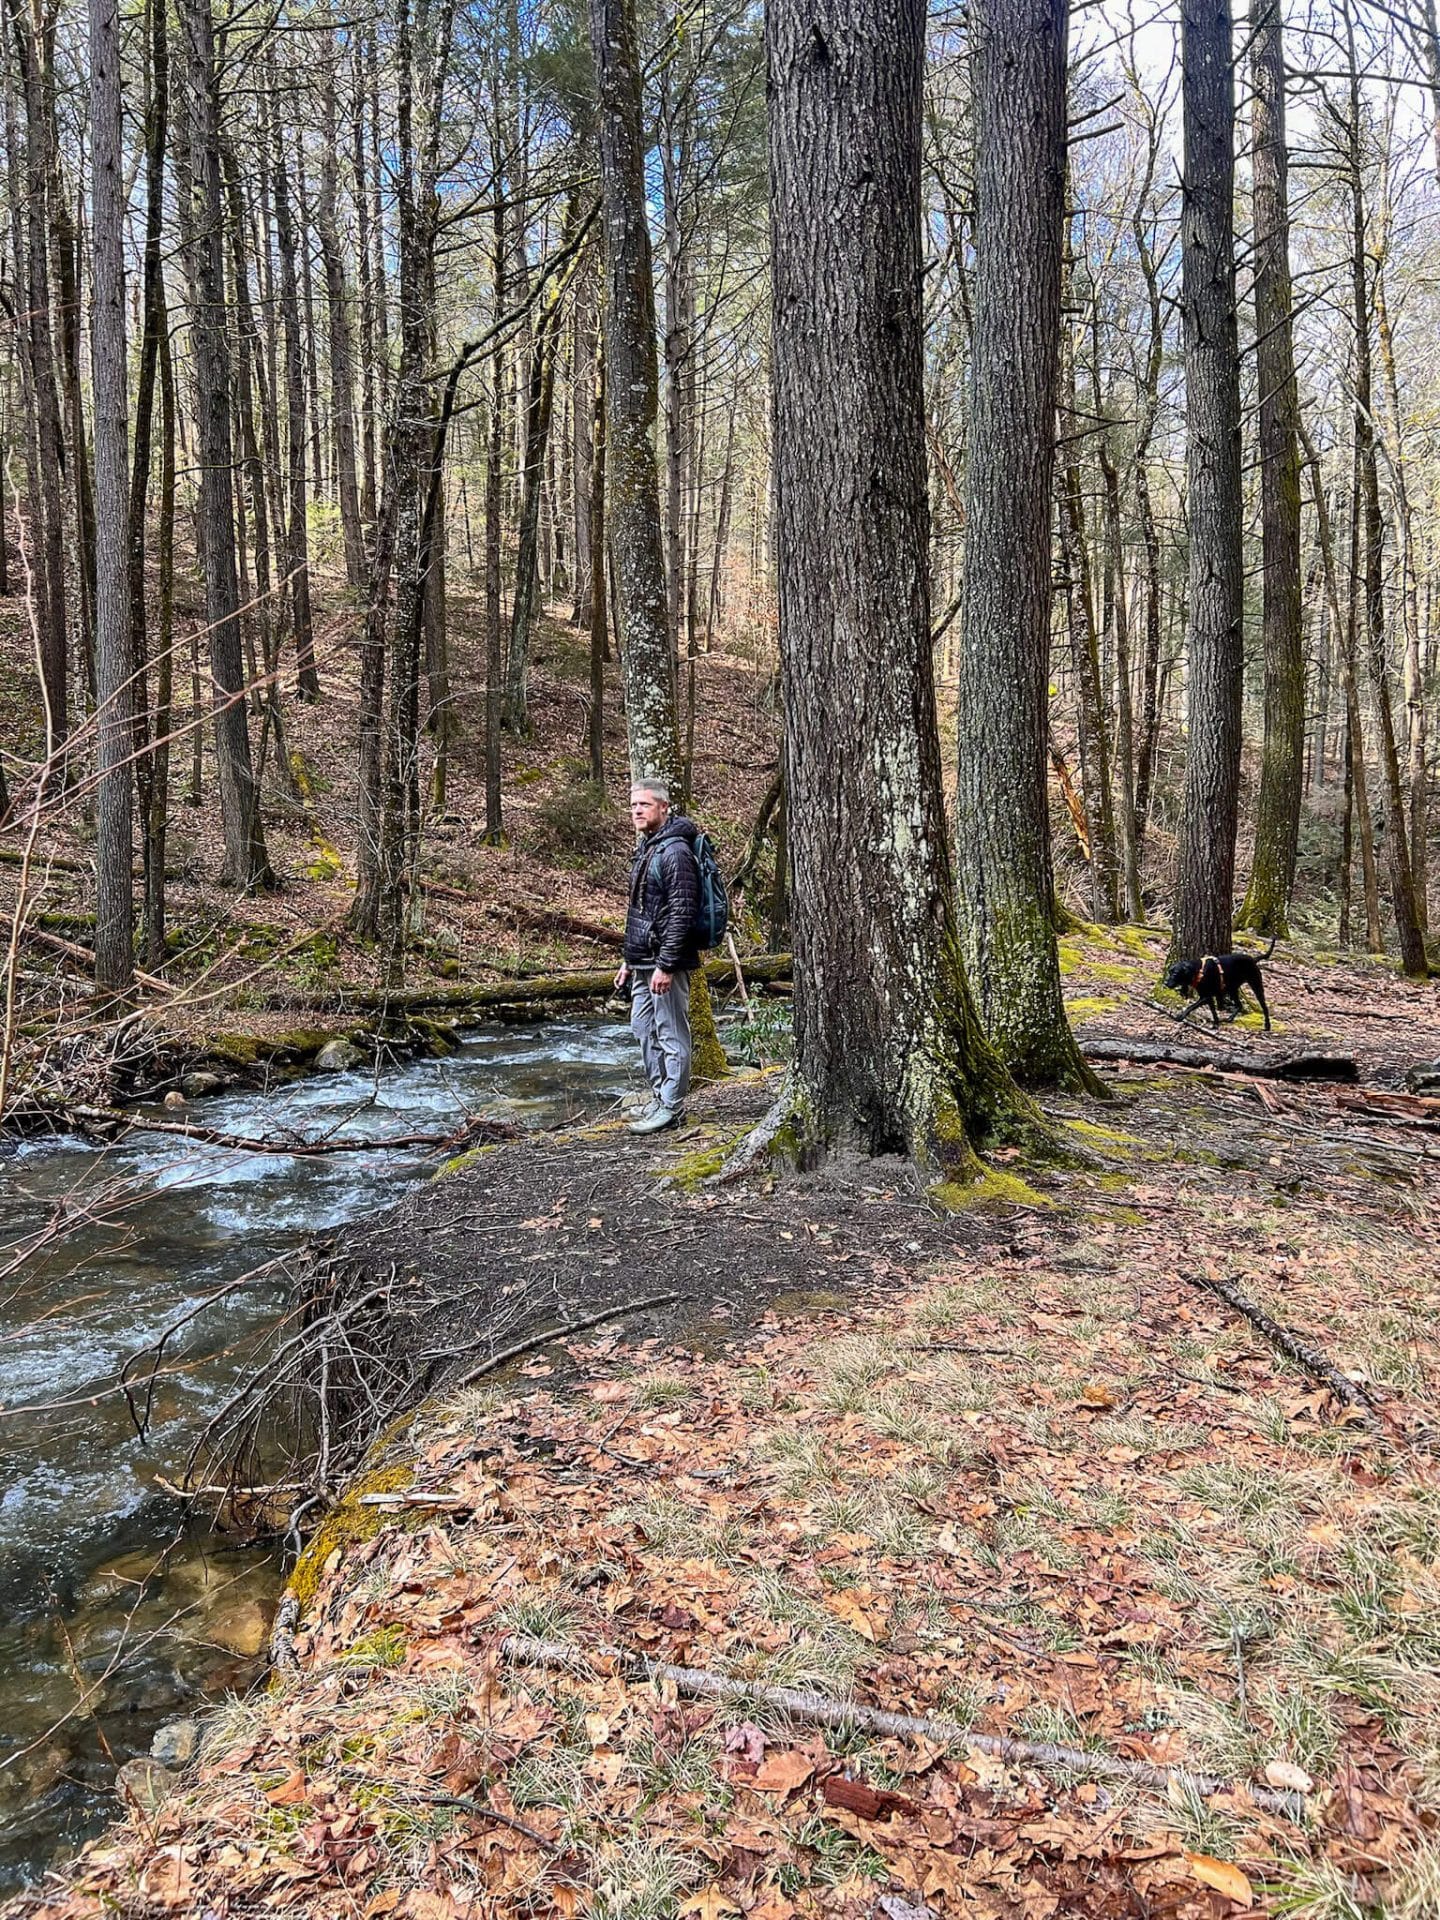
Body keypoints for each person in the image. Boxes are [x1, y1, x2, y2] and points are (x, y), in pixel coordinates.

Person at [614, 780, 701, 1135]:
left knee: (670, 1033)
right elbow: (640, 912)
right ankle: (660, 1096)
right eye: (633, 805)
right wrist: (628, 960)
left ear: (663, 808)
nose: (636, 811)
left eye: (644, 805)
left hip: (665, 962)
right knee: (643, 1028)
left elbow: (682, 913)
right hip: (642, 961)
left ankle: (672, 1106)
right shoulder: (649, 847)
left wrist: (666, 964)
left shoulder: (676, 851)